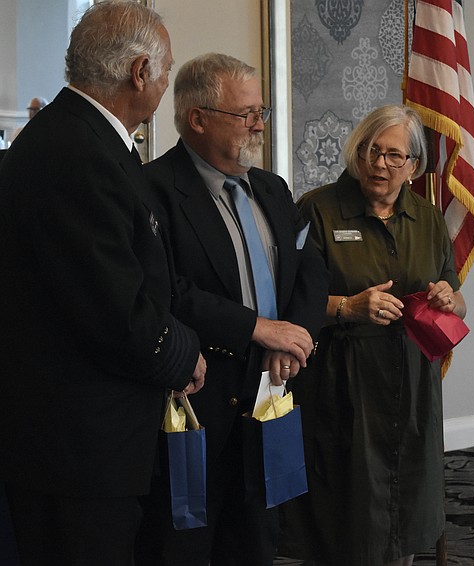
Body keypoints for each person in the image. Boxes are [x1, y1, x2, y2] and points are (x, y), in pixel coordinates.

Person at [0, 2, 206, 565]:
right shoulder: (78, 153)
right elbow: (115, 310)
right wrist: (185, 353)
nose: (164, 84)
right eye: (164, 73)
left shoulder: (74, 137)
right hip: (77, 450)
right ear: (140, 71)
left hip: (80, 440)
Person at [134, 53, 329, 566]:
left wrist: (295, 340)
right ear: (198, 118)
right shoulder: (151, 190)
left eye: (260, 110)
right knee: (187, 544)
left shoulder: (272, 187)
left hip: (271, 391)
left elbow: (308, 269)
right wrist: (259, 330)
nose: (259, 124)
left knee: (258, 541)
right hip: (198, 399)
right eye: (246, 114)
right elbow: (168, 292)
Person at [278, 104, 467, 566]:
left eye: (393, 156)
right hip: (342, 381)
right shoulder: (317, 210)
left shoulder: (427, 218)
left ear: (414, 166)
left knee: (404, 510)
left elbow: (458, 299)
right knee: (344, 514)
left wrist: (448, 298)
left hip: (413, 381)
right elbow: (287, 304)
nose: (379, 164)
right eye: (369, 151)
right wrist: (347, 307)